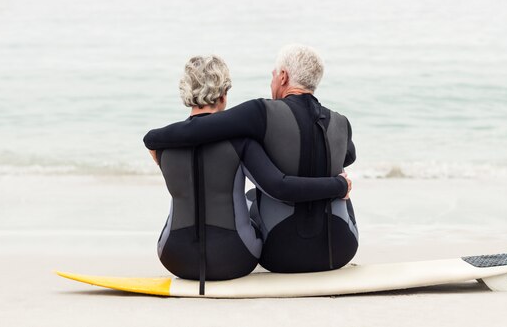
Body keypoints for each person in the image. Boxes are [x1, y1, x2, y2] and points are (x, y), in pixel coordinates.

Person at [145, 45, 358, 273]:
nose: (272, 81)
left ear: (283, 77)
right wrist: (339, 184)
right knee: (339, 175)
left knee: (251, 197)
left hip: (272, 254)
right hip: (341, 249)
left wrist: (153, 140)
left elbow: (199, 129)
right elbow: (349, 156)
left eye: (274, 75)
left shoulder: (261, 112)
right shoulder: (342, 122)